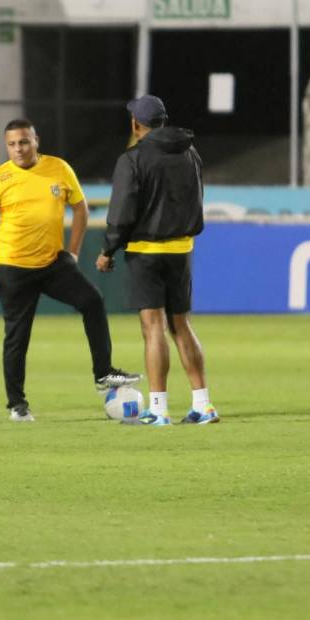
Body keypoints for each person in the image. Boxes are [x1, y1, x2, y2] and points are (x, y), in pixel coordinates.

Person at [0, 119, 141, 422]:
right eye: (12, 144)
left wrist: (73, 252)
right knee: (17, 337)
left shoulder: (58, 168)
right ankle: (17, 404)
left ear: (35, 141)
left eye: (24, 142)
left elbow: (80, 208)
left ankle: (103, 373)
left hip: (53, 263)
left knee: (92, 301)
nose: (18, 149)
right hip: (14, 267)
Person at [96, 95, 218, 426]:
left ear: (136, 124)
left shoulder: (132, 159)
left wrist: (108, 250)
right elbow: (198, 197)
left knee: (153, 328)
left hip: (146, 251)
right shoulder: (190, 152)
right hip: (182, 250)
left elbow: (122, 211)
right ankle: (203, 405)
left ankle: (159, 409)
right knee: (181, 325)